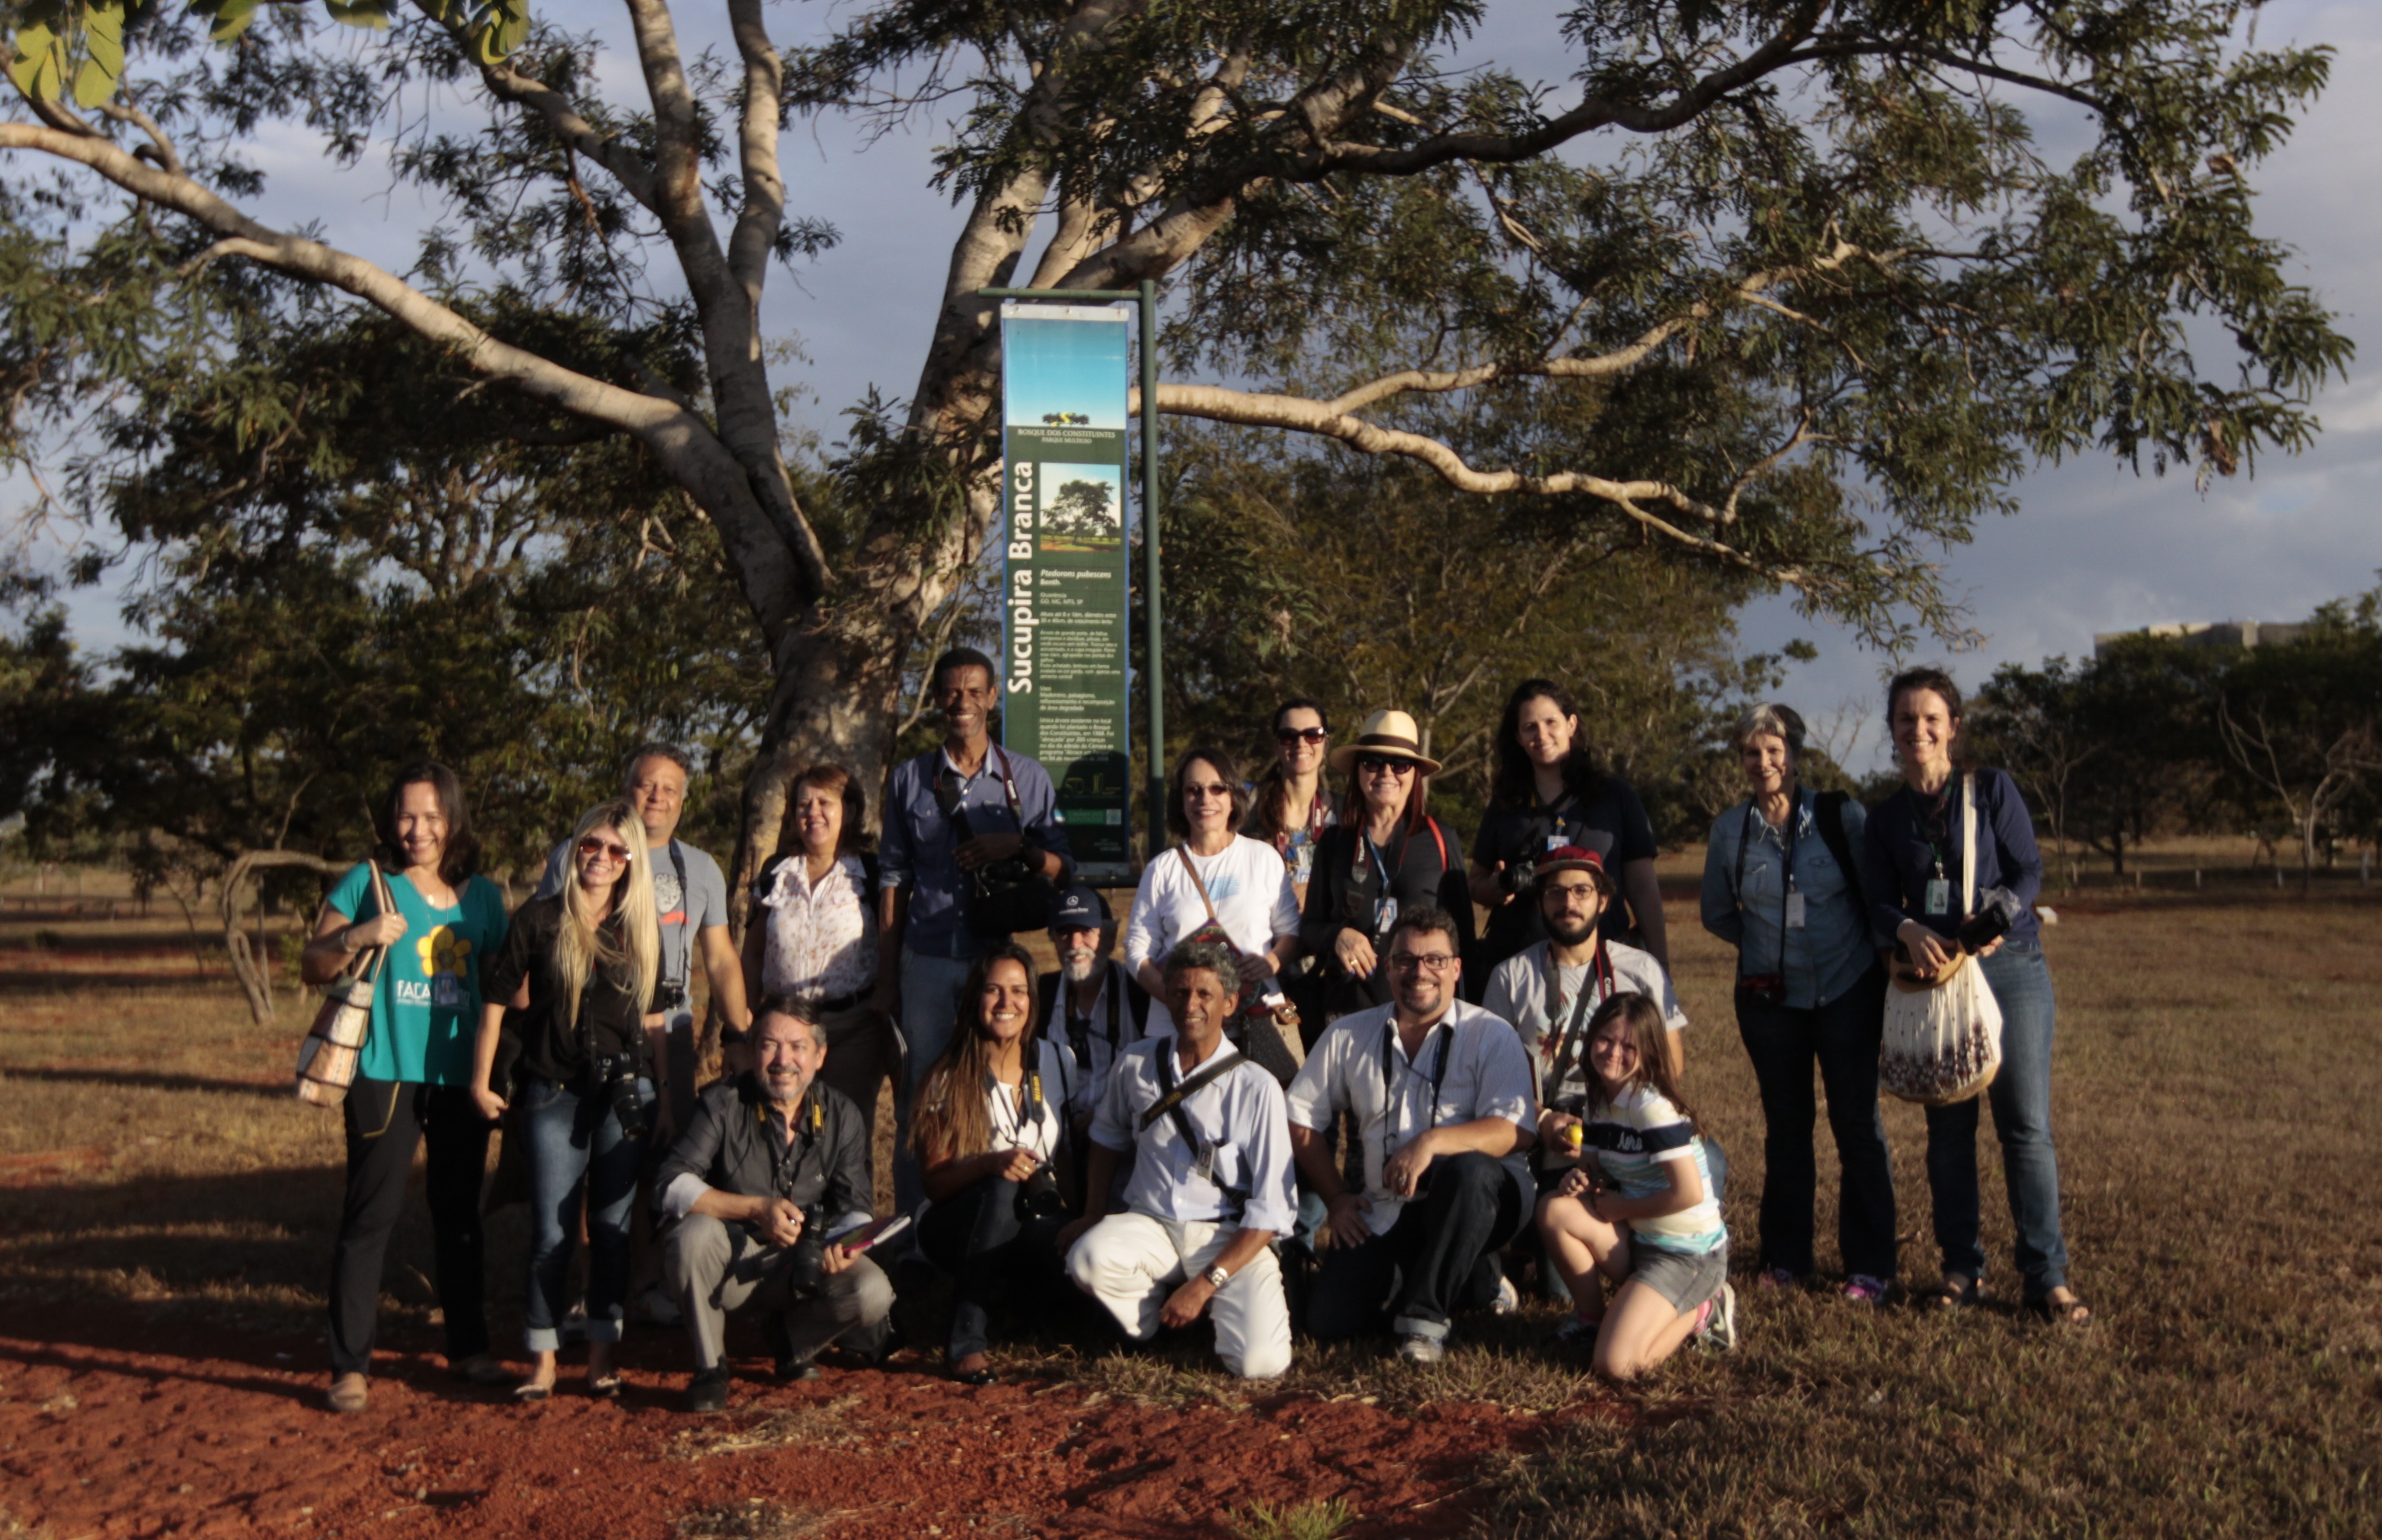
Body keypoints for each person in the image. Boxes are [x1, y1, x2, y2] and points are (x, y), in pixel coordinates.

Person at [1859, 667, 2089, 1325]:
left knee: (2026, 1127)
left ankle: (2046, 1278)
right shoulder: (1885, 819)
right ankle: (1962, 1269)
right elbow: (1877, 900)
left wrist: (1996, 918)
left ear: (1953, 727)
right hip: (1938, 980)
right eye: (1906, 719)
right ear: (1892, 731)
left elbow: (2028, 870)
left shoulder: (1990, 790)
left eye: (1931, 718)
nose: (1919, 730)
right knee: (1949, 1133)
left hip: (2009, 966)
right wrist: (1906, 930)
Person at [302, 762, 513, 1413]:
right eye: (405, 816)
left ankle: (469, 1350)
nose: (417, 830)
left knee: (459, 1216)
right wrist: (358, 935)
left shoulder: (483, 897)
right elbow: (314, 963)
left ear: (453, 819)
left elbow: (506, 987)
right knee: (370, 1215)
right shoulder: (369, 883)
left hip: (461, 1078)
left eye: (430, 817)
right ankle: (349, 1367)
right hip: (384, 1071)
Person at [1698, 703, 1896, 1303]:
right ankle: (1786, 1259)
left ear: (1796, 756)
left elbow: (1874, 899)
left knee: (1856, 1124)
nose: (1763, 763)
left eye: (1774, 751)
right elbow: (1717, 913)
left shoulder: (1841, 816)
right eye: (1751, 753)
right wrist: (1766, 950)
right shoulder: (1730, 831)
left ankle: (1869, 1265)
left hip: (1847, 988)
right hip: (1771, 1002)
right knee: (1787, 1128)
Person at [471, 798, 661, 1400]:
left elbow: (654, 1021)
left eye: (616, 851)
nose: (601, 858)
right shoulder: (540, 917)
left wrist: (663, 1096)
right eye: (590, 845)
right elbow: (496, 1001)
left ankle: (603, 1358)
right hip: (552, 1088)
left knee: (610, 1229)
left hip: (623, 1093)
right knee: (552, 1233)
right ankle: (544, 1361)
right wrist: (481, 1081)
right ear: (575, 848)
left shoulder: (639, 928)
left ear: (632, 861)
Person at [1286, 905, 1536, 1363]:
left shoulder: (1491, 1034)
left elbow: (1515, 1129)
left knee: (1470, 1170)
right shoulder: (1348, 1034)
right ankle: (1474, 1280)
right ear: (1387, 968)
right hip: (1384, 1207)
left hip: (1477, 1200)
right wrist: (1337, 1197)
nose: (1420, 972)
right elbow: (1298, 1116)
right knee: (1329, 1323)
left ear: (1456, 968)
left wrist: (1431, 1142)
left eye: (1435, 960)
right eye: (1406, 960)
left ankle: (1424, 1322)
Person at [880, 647, 1074, 1211]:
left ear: (993, 698)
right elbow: (893, 878)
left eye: (973, 691)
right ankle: (918, 1230)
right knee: (921, 1100)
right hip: (927, 960)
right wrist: (889, 978)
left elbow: (1065, 869)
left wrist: (1017, 846)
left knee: (998, 1098)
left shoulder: (1026, 779)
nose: (961, 702)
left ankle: (997, 1219)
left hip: (996, 967)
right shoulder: (910, 779)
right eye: (950, 692)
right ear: (937, 699)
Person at [1059, 940, 1297, 1380]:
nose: (1191, 1005)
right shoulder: (1136, 1063)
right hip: (1151, 1225)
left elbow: (1272, 1211)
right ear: (1166, 998)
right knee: (1087, 1258)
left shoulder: (1257, 1087)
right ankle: (1154, 1323)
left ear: (1229, 1004)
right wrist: (1093, 1212)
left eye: (1205, 994)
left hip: (1228, 1235)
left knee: (1261, 1365)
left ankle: (1203, 1304)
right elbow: (1108, 1136)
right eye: (1181, 993)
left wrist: (1205, 1284)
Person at [653, 1000, 895, 1412]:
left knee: (872, 1292)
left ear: (820, 1056)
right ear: (751, 1052)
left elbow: (856, 1204)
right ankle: (710, 1368)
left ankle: (792, 1341)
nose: (784, 1061)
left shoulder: (843, 1114)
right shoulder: (721, 1103)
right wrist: (754, 1209)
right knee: (693, 1235)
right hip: (734, 1264)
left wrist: (844, 1245)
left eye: (798, 1047)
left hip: (805, 1266)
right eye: (770, 1045)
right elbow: (670, 1185)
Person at [535, 743, 750, 1133]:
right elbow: (536, 947)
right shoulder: (577, 855)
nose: (657, 797)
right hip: (582, 1035)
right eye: (646, 785)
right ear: (625, 790)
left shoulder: (702, 868)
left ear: (683, 800)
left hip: (668, 1034)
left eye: (669, 789)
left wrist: (736, 1035)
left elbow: (720, 960)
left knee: (665, 1149)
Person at [1535, 993, 1735, 1377]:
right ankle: (1591, 1320)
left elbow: (1689, 1193)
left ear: (1649, 1053)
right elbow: (1593, 1171)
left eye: (1629, 1047)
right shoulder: (1599, 1097)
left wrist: (1623, 1208)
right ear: (1590, 1039)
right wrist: (1577, 1180)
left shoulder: (1651, 1107)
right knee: (1554, 1209)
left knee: (1617, 1366)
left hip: (1687, 1255)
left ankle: (1704, 1309)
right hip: (1642, 1240)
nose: (1614, 1053)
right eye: (1606, 1039)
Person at [911, 942, 1079, 1384]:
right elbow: (934, 1184)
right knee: (1002, 1189)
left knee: (1077, 1252)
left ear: (1033, 1000)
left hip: (1032, 1216)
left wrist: (1081, 1219)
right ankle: (965, 1338)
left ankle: (1020, 1305)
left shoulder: (1058, 1061)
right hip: (956, 1224)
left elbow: (1064, 1153)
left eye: (1018, 991)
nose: (1007, 1003)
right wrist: (989, 1165)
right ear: (974, 999)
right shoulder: (946, 1076)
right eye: (993, 990)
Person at [1468, 681, 1668, 988]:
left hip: (1604, 968)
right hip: (1521, 973)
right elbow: (1475, 883)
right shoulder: (1506, 802)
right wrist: (1494, 888)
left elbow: (1643, 889)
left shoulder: (1615, 797)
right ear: (1518, 737)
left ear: (1571, 724)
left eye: (1551, 722)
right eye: (1530, 727)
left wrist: (1661, 967)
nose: (1541, 735)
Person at [744, 763, 891, 1154]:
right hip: (784, 1031)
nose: (813, 813)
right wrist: (743, 1029)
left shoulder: (872, 874)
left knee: (847, 1137)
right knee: (780, 1135)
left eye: (825, 802)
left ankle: (849, 1199)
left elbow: (892, 946)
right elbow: (753, 954)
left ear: (851, 811)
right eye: (803, 804)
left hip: (852, 1030)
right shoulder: (777, 873)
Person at [1298, 710, 1472, 1024]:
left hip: (1423, 1015)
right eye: (1373, 762)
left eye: (1400, 764)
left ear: (1415, 773)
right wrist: (1338, 936)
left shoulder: (1440, 839)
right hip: (1349, 1013)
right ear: (1358, 770)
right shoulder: (1335, 842)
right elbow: (1309, 928)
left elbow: (1465, 940)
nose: (1386, 773)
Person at [1124, 746, 1302, 1041]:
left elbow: (1291, 934)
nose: (1205, 799)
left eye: (1217, 789)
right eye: (1193, 790)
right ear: (1181, 801)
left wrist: (1270, 962)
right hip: (1178, 1031)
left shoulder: (1263, 858)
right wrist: (1180, 999)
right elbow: (1136, 950)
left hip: (1255, 1023)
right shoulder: (1161, 869)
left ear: (1233, 797)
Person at [1484, 846, 1688, 1088]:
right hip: (1539, 1109)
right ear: (1540, 903)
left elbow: (1671, 1066)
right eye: (1555, 892)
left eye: (1582, 891)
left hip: (1622, 1107)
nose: (1569, 903)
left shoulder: (1642, 969)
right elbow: (1492, 1070)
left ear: (1603, 901)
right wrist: (1536, 1110)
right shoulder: (1510, 976)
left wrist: (1624, 1105)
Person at [1037, 884, 1152, 1167]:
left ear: (1110, 938)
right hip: (1057, 1149)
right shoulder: (1041, 995)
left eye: (1087, 931)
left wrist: (1105, 1114)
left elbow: (1154, 1075)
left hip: (1126, 1149)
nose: (1075, 945)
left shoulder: (1138, 993)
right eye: (1064, 933)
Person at [1242, 698, 1340, 903]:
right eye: (1289, 736)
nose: (1301, 743)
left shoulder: (1345, 811)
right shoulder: (1248, 806)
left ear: (1326, 744)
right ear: (1277, 746)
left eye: (1313, 735)